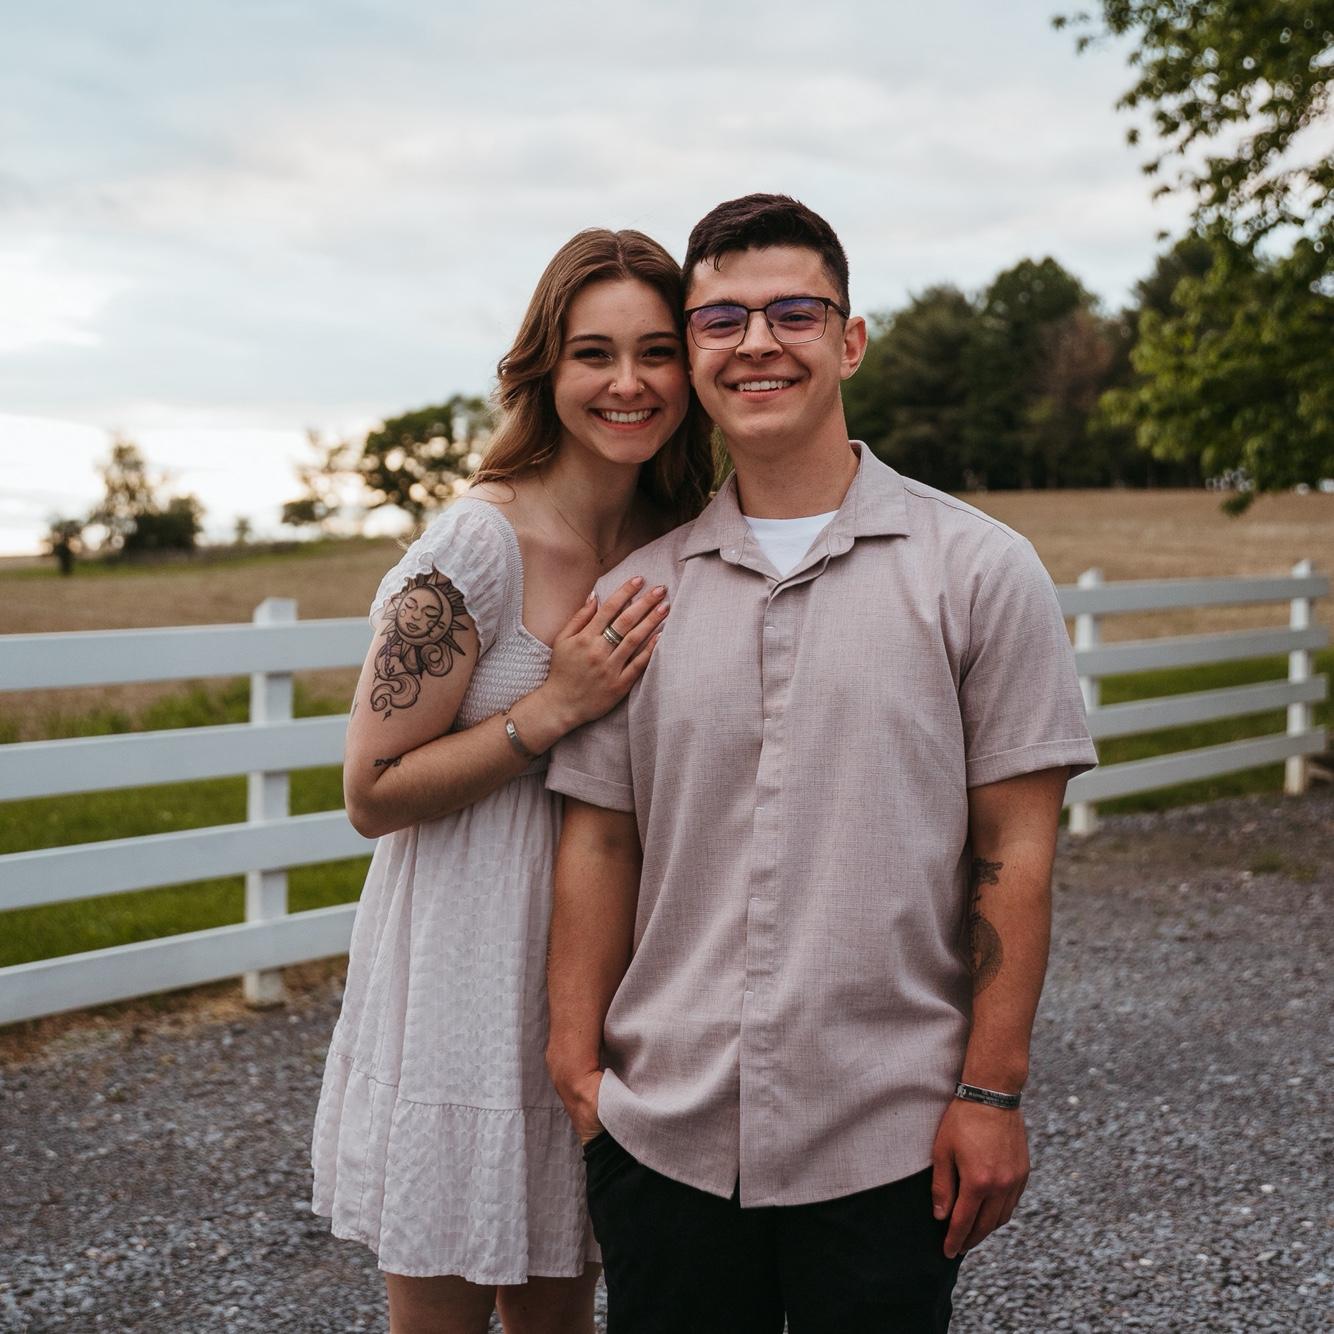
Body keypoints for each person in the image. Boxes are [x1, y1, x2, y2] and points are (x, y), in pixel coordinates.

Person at [545, 194, 1098, 1333]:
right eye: (721, 320)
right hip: (664, 1133)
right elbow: (601, 836)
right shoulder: (636, 593)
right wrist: (577, 1073)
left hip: (889, 1133)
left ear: (849, 341)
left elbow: (1016, 843)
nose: (756, 342)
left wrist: (992, 1091)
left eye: (793, 313)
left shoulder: (977, 571)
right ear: (692, 354)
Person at [311, 227, 714, 1334]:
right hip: (465, 966)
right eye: (593, 353)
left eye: (655, 351)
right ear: (545, 368)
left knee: (561, 1310)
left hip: (604, 967)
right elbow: (370, 789)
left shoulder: (677, 541)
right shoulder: (475, 545)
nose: (628, 383)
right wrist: (552, 707)